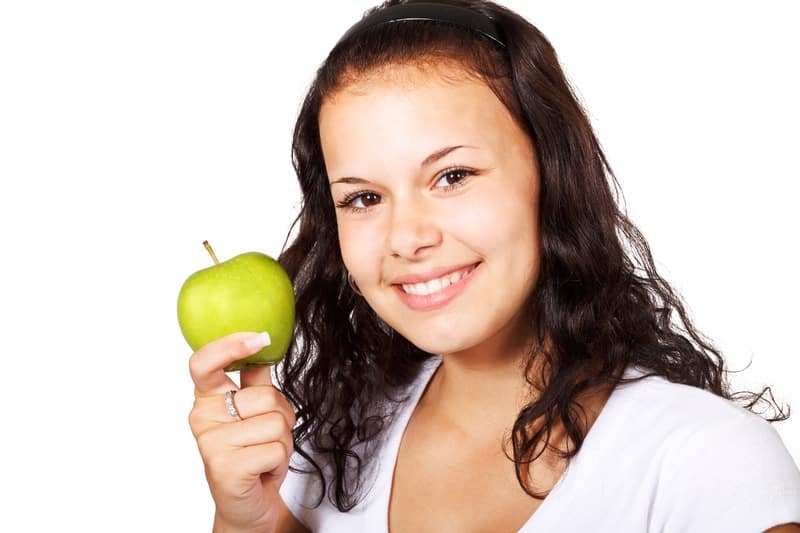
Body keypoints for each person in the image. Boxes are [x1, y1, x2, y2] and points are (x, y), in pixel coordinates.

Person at [187, 1, 800, 532]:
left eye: (452, 176)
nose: (407, 238)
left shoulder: (702, 464)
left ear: (551, 174)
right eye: (364, 198)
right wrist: (246, 523)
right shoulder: (327, 451)